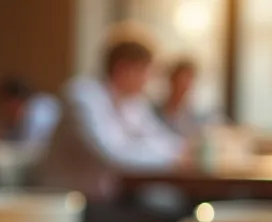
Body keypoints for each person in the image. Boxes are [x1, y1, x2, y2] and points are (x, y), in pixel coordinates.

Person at [38, 24, 188, 202]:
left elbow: (162, 139)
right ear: (125, 69)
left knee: (172, 205)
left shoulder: (131, 104)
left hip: (112, 198)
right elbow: (113, 156)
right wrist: (173, 155)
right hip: (73, 205)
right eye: (146, 72)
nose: (148, 80)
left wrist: (177, 151)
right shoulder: (82, 96)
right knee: (166, 214)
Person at [0, 77, 61, 154]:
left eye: (3, 105)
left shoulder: (37, 112)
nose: (3, 112)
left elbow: (31, 151)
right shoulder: (37, 106)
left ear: (13, 101)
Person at [160, 59, 206, 139]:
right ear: (172, 80)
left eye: (189, 79)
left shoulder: (195, 114)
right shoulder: (155, 109)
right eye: (182, 78)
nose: (185, 84)